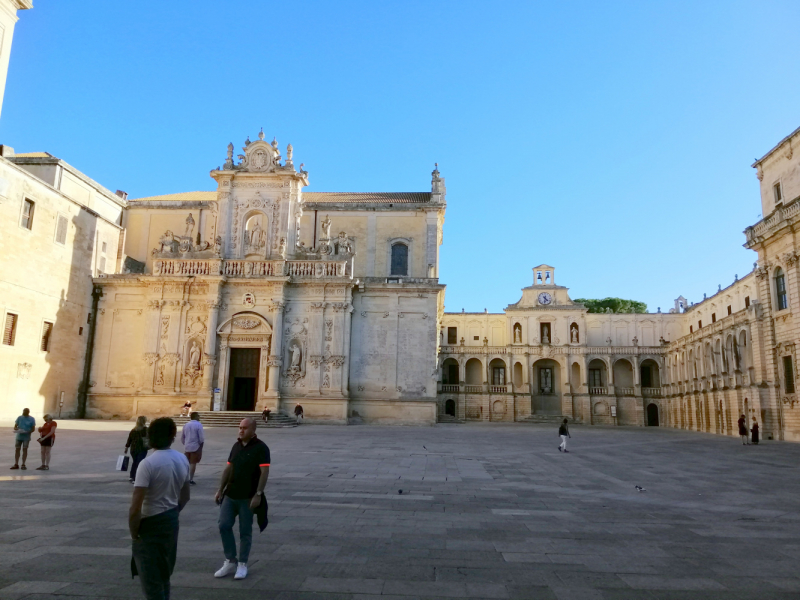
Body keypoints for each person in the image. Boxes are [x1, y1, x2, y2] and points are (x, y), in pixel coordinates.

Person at [129, 417, 191, 600]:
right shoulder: (182, 459)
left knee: (151, 581)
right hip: (171, 520)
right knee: (164, 575)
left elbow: (135, 507)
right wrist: (172, 512)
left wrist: (134, 534)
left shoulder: (147, 464)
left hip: (150, 523)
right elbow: (186, 496)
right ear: (173, 436)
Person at [214, 418, 270, 581]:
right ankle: (231, 559)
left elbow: (264, 472)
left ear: (253, 430)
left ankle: (243, 563)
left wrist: (258, 494)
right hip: (231, 494)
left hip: (248, 496)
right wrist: (220, 489)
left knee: (245, 531)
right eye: (240, 427)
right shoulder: (236, 446)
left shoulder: (261, 448)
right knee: (223, 525)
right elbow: (228, 467)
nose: (241, 431)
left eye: (245, 428)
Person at [181, 412, 204, 485]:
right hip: (195, 446)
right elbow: (201, 437)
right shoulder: (198, 425)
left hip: (187, 446)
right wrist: (201, 445)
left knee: (187, 463)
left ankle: (185, 478)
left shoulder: (186, 425)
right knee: (193, 463)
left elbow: (182, 437)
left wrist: (185, 443)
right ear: (196, 417)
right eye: (198, 416)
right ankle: (190, 479)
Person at [126, 417, 150, 484]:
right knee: (139, 463)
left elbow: (129, 439)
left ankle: (132, 476)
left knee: (135, 462)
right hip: (142, 449)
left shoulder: (134, 430)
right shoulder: (145, 430)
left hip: (133, 449)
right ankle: (135, 477)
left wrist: (126, 447)